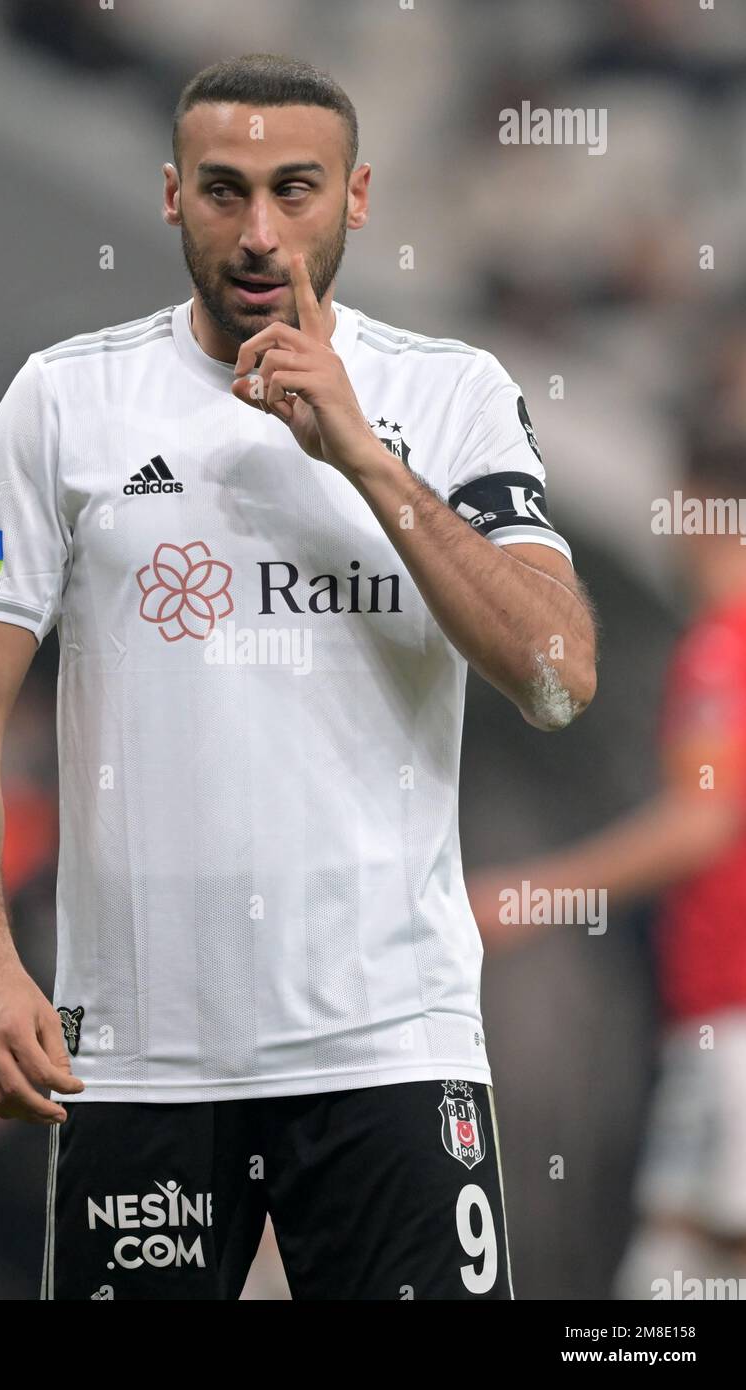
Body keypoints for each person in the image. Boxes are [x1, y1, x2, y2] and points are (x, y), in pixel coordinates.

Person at [0, 52, 597, 1301]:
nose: (260, 232)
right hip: (140, 1063)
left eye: (296, 189)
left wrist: (370, 464)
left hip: (391, 1042)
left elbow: (557, 679)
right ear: (173, 196)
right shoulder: (65, 402)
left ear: (359, 196)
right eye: (225, 192)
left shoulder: (450, 397)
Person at [468, 433, 746, 1299]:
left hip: (732, 1013)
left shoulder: (722, 646)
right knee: (682, 1261)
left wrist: (532, 895)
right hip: (712, 1017)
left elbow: (701, 821)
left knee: (683, 1260)